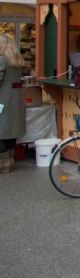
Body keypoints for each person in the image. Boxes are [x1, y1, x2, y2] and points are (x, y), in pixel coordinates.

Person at [0, 35, 25, 174]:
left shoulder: (2, 60)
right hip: (16, 101)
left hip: (2, 100)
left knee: (1, 132)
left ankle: (2, 165)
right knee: (11, 132)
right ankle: (9, 161)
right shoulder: (17, 60)